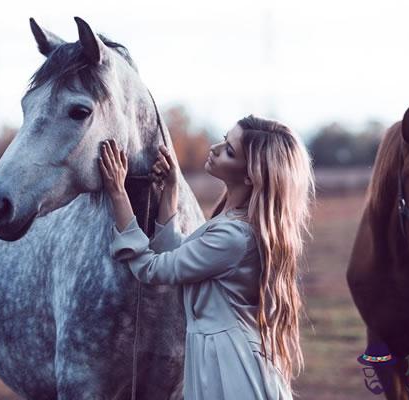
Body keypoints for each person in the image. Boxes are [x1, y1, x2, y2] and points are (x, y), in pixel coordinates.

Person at [99, 115, 315, 399]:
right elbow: (179, 261)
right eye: (225, 139)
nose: (215, 148)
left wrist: (118, 193)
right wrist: (171, 192)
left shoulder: (234, 237)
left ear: (251, 175)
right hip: (218, 355)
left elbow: (152, 269)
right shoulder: (234, 222)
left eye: (229, 150)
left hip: (230, 365)